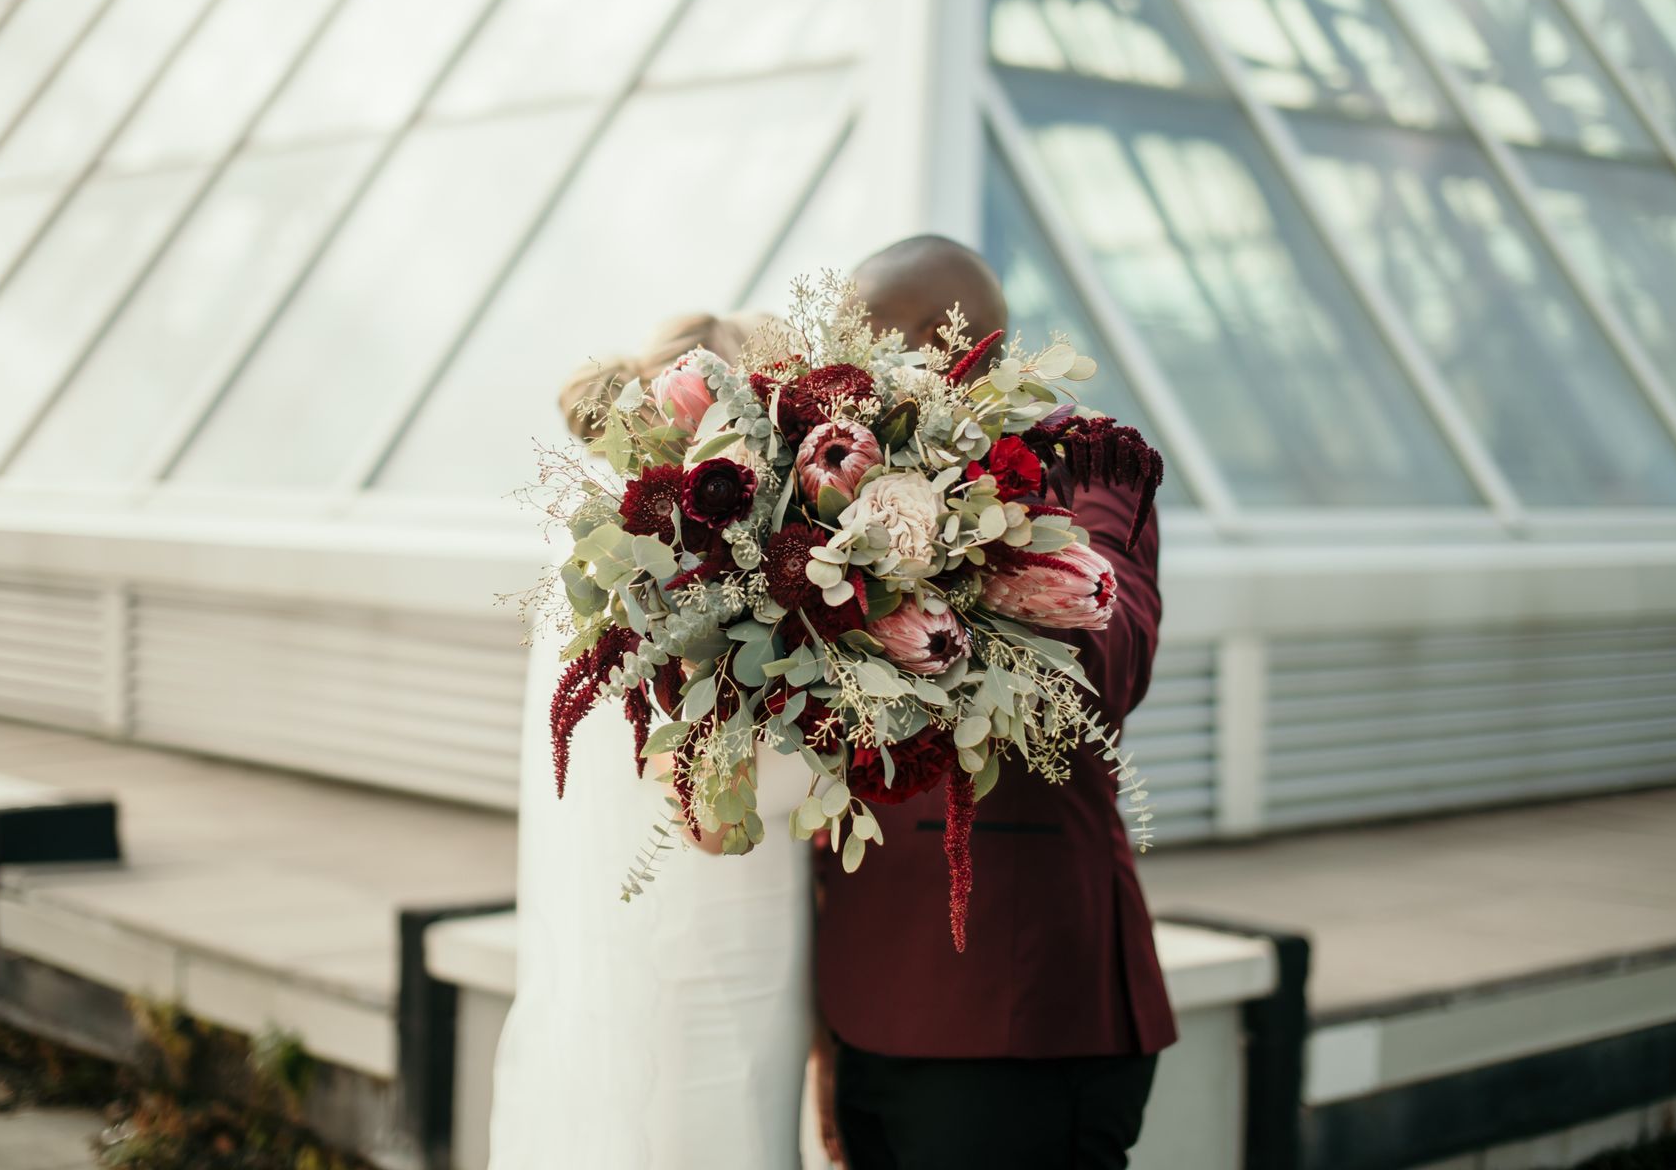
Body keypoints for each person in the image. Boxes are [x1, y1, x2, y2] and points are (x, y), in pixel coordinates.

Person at [812, 237, 1177, 1169]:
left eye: (872, 344)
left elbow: (1108, 661)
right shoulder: (825, 488)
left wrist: (951, 534)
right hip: (865, 996)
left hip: (1022, 1010)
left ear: (955, 347)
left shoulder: (1089, 465)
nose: (845, 380)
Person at [491, 312, 817, 1169]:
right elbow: (704, 777)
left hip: (660, 924)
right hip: (723, 937)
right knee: (719, 1132)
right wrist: (845, 753)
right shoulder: (685, 566)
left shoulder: (611, 551)